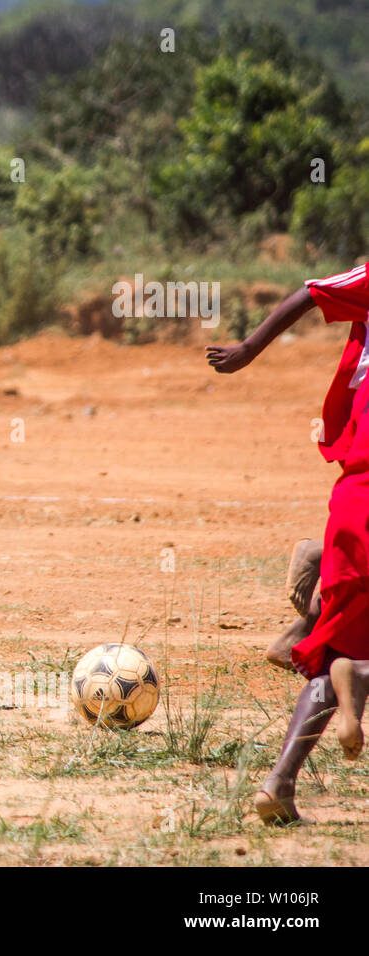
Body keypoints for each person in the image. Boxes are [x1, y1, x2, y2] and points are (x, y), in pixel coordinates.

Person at [211, 261, 369, 822]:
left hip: (356, 495)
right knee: (346, 654)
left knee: (338, 651)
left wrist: (250, 349)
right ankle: (327, 626)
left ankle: (279, 784)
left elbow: (312, 289)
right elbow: (312, 291)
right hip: (362, 491)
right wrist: (250, 348)